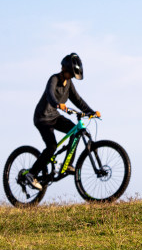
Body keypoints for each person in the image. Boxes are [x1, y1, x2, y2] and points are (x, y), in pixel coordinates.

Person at [24, 53, 101, 191]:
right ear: (64, 69)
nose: (71, 77)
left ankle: (68, 165)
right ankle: (31, 174)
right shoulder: (53, 79)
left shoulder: (69, 83)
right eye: (70, 74)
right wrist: (58, 104)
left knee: (76, 131)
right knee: (52, 147)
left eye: (73, 75)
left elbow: (77, 100)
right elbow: (50, 95)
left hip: (54, 116)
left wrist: (91, 111)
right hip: (42, 118)